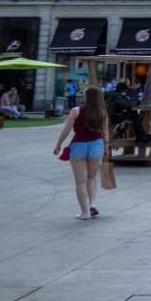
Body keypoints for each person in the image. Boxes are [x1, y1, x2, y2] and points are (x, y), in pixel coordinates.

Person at [53, 86, 109, 220]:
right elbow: (105, 130)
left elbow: (66, 130)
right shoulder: (102, 112)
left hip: (79, 146)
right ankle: (91, 205)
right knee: (91, 177)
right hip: (96, 145)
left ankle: (84, 212)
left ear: (87, 96)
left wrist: (59, 144)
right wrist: (107, 147)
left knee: (80, 182)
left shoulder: (76, 111)